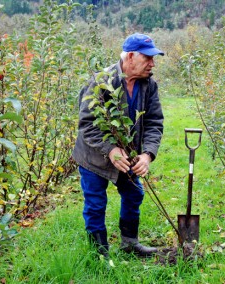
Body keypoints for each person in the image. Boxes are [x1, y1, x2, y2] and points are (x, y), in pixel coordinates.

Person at [72, 33, 165, 258]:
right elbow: (87, 123)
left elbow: (154, 122)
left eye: (154, 58)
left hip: (128, 156)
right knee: (96, 204)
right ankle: (100, 255)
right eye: (148, 58)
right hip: (94, 156)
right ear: (131, 57)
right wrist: (111, 150)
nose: (152, 63)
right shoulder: (100, 81)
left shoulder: (149, 85)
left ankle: (130, 243)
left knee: (134, 194)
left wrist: (147, 155)